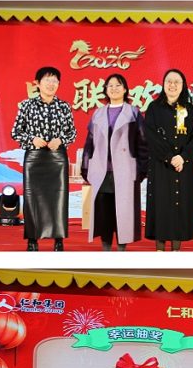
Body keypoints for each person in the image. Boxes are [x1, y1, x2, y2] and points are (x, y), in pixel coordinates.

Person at [11, 66, 77, 251]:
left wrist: (60, 140)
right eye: (47, 80)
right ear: (38, 83)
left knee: (58, 199)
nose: (51, 84)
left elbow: (72, 132)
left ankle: (59, 240)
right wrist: (32, 139)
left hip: (57, 159)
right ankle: (32, 240)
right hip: (35, 158)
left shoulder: (64, 106)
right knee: (33, 199)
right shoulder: (27, 105)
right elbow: (16, 132)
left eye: (55, 81)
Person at [81, 73, 147, 249]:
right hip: (101, 170)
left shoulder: (133, 113)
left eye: (118, 85)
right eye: (110, 85)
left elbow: (142, 142)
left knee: (123, 212)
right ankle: (106, 248)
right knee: (104, 212)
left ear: (125, 89)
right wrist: (86, 167)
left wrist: (141, 170)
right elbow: (89, 142)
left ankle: (121, 249)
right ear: (105, 90)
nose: (114, 88)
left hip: (125, 170)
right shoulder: (98, 113)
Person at [143, 69, 193, 250]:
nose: (172, 85)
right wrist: (169, 157)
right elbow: (151, 136)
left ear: (183, 86)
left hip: (183, 167)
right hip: (160, 166)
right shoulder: (154, 108)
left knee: (180, 206)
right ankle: (159, 249)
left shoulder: (190, 110)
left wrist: (183, 157)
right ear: (163, 84)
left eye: (177, 82)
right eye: (169, 81)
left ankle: (176, 249)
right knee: (161, 205)